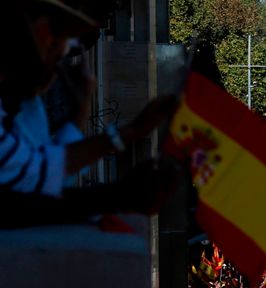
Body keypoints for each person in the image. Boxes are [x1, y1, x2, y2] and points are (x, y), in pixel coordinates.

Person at [0, 0, 178, 227]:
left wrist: (83, 113)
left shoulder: (24, 105)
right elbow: (30, 189)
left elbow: (44, 173)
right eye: (56, 35)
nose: (59, 53)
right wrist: (122, 194)